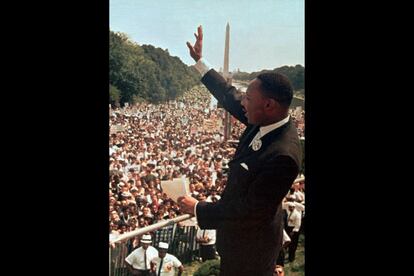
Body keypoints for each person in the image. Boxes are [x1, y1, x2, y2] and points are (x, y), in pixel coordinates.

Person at [178, 25, 302, 276]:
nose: (242, 103)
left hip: (252, 251)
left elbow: (249, 211)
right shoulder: (265, 119)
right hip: (238, 241)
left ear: (268, 105)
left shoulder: (283, 156)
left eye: (248, 99)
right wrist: (200, 62)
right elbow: (228, 94)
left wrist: (198, 209)